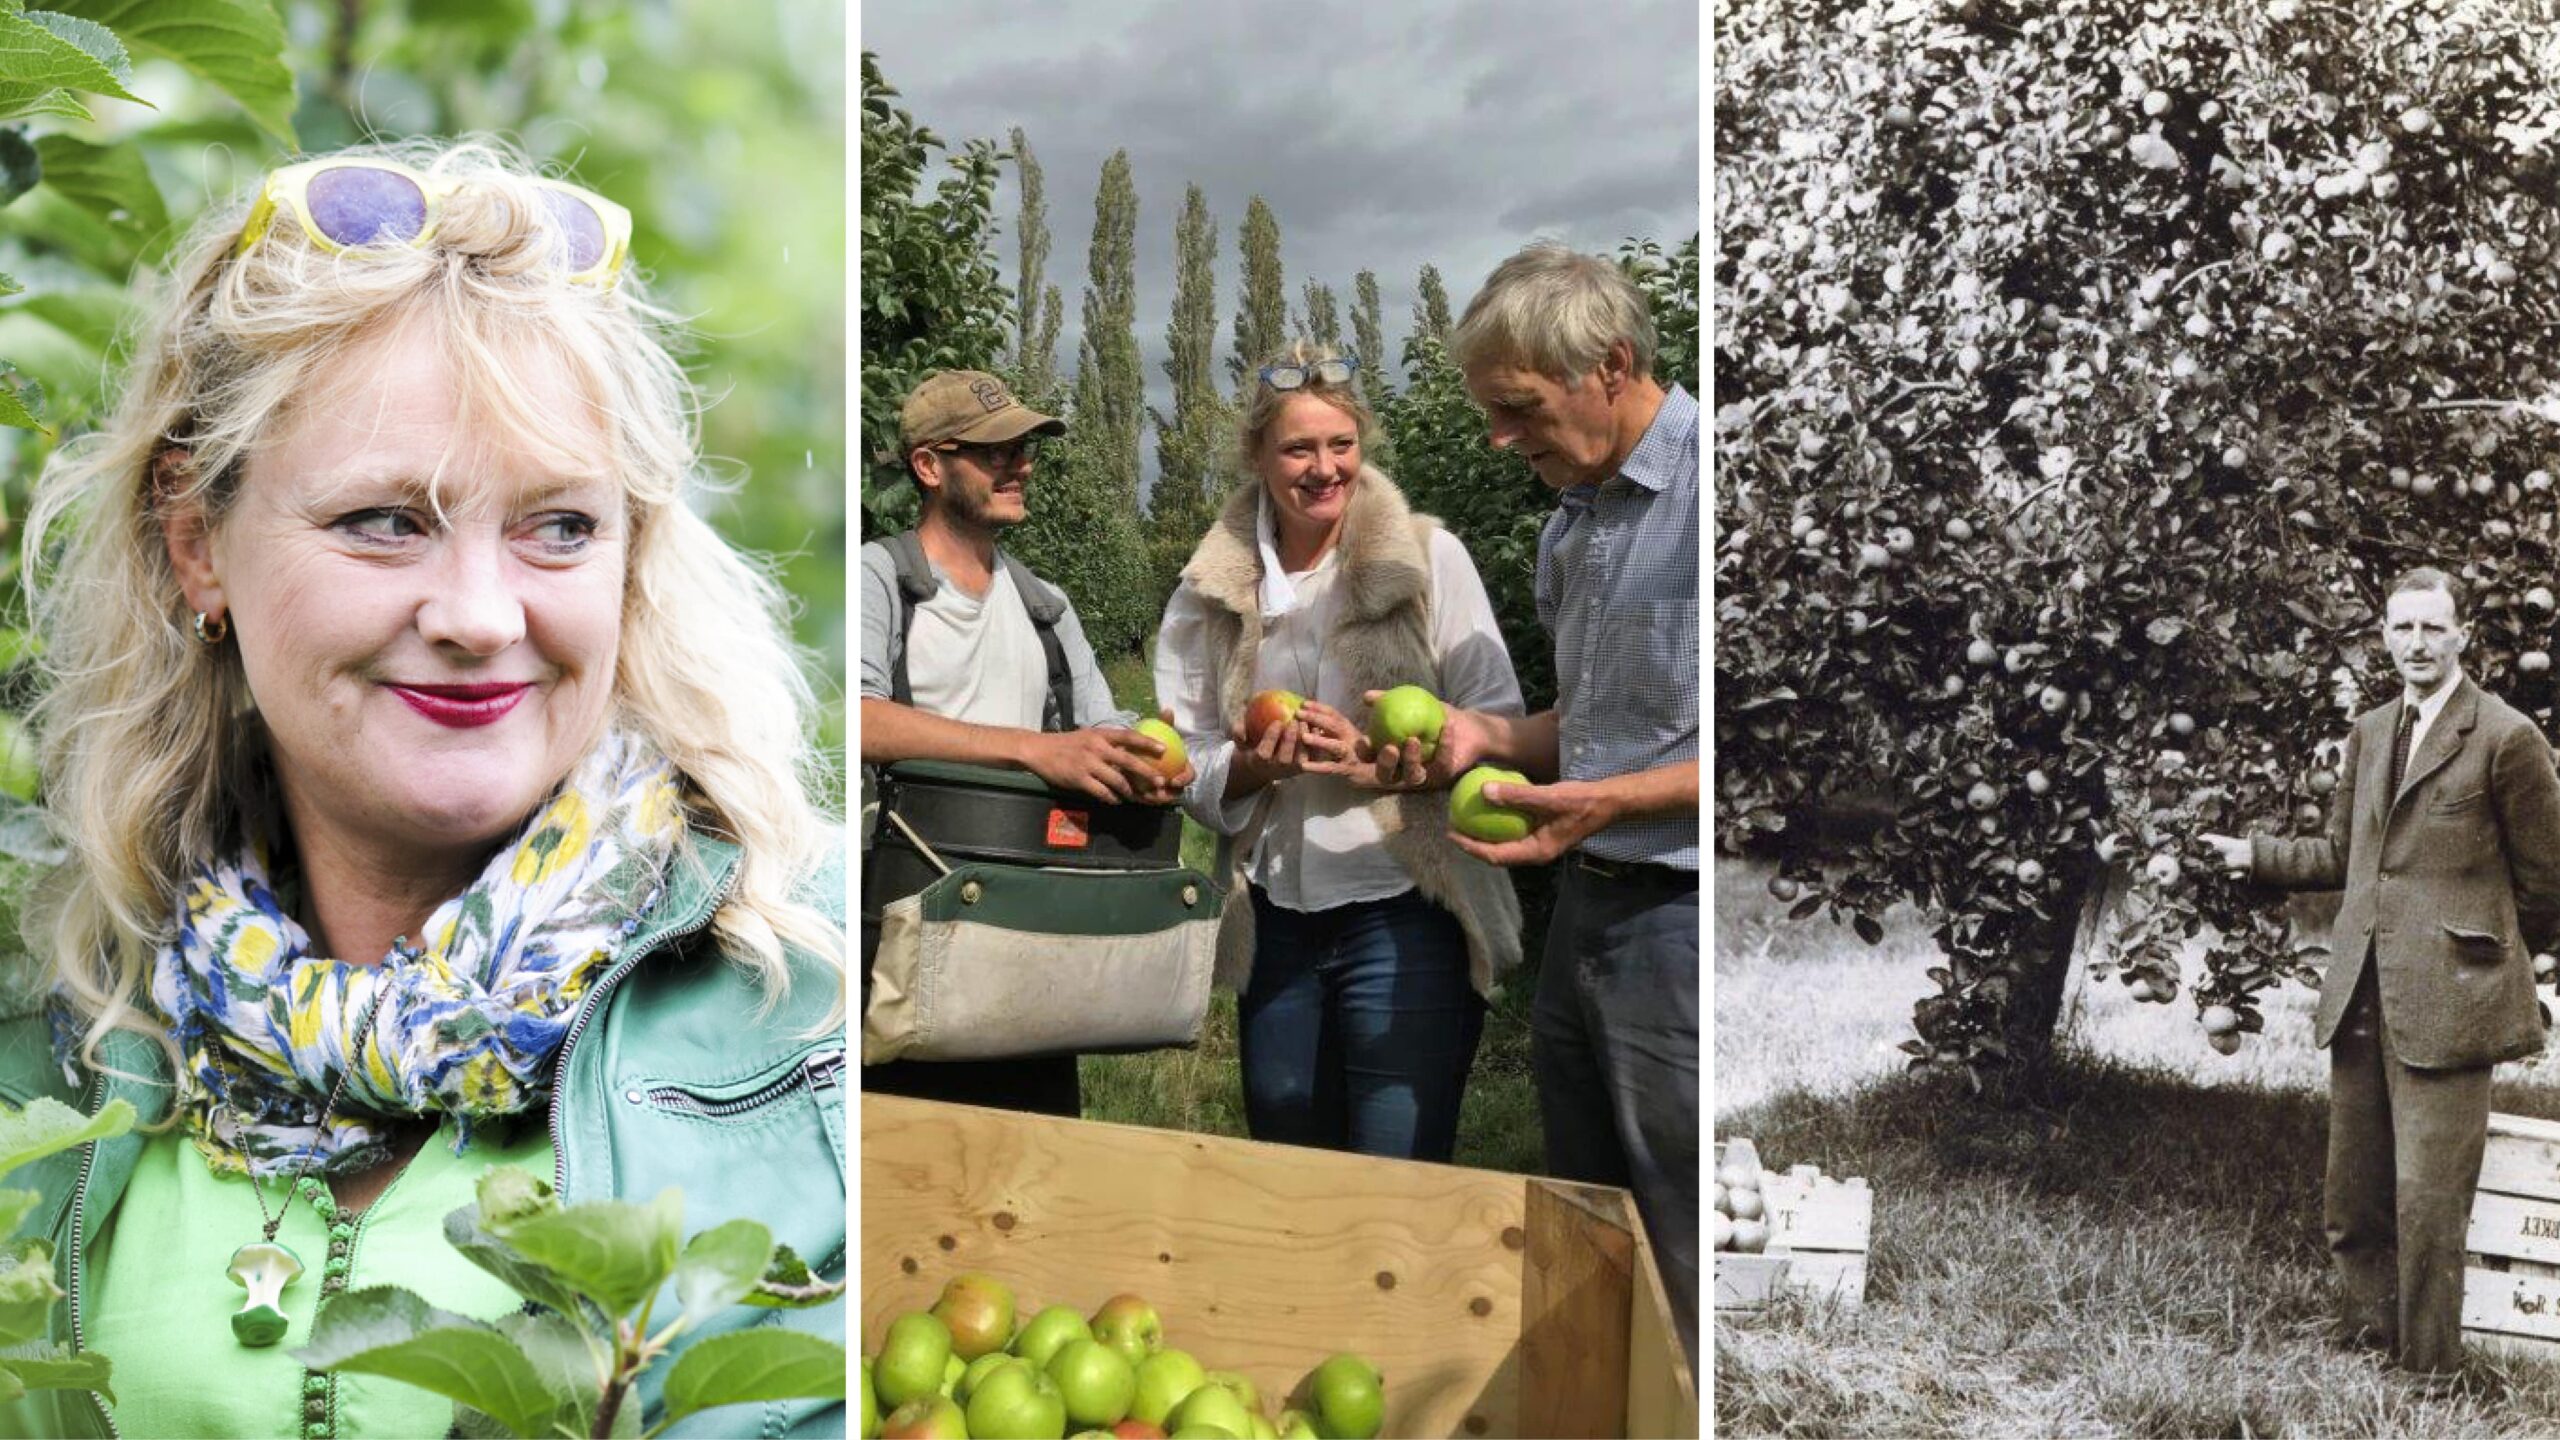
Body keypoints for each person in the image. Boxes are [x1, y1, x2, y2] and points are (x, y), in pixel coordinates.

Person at [0, 141, 846, 1439]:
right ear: (195, 544)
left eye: (559, 525)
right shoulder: (56, 1035)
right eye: (385, 520)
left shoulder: (821, 993)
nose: (479, 613)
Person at [1364, 242, 1700, 1366]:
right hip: (1590, 908)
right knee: (1579, 1213)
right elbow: (1596, 716)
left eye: (1518, 409)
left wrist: (1614, 800)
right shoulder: (1575, 521)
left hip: (1688, 914)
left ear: (1610, 363)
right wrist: (1487, 738)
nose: (1503, 441)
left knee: (1680, 1229)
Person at [1154, 341, 1524, 1161]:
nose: (1325, 468)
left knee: (1398, 1172)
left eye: (1341, 445)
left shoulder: (1427, 559)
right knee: (1289, 1158)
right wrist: (1259, 765)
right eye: (1299, 448)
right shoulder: (1208, 594)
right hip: (1276, 914)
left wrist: (1398, 757)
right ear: (1257, 456)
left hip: (1406, 904)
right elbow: (1188, 762)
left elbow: (1499, 723)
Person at [2203, 566, 2560, 1377]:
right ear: (2384, 636)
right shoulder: (2370, 732)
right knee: (2353, 1195)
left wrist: (2484, 956)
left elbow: (2549, 881)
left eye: (2434, 628)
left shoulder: (2505, 737)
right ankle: (2369, 1343)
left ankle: (2430, 1374)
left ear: (2465, 635)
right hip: (2363, 987)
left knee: (2431, 1202)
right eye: (2402, 628)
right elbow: (2345, 854)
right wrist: (2253, 855)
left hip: (2450, 1002)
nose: (2417, 644)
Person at [858, 369, 1189, 1118]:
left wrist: (1148, 755)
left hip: (1024, 943)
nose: (1022, 465)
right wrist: (1032, 747)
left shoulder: (1045, 605)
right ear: (929, 466)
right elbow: (857, 716)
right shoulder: (881, 579)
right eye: (995, 450)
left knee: (1030, 1166)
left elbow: (1101, 726)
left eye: (1025, 448)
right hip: (903, 940)